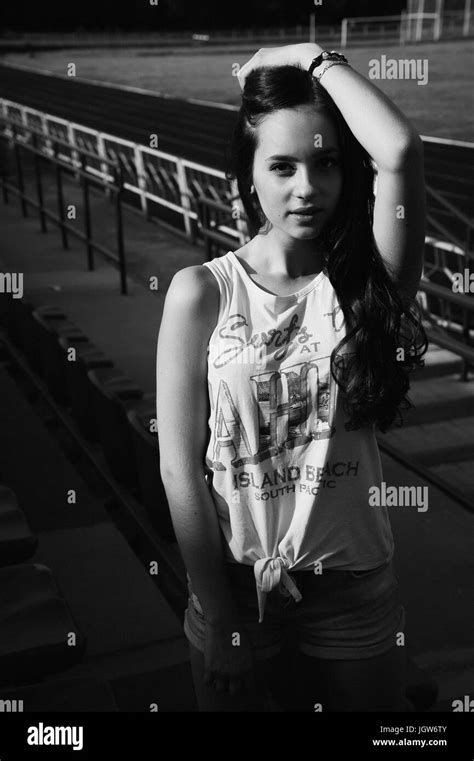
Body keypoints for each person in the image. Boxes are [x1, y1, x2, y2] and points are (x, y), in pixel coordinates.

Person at [156, 41, 428, 712]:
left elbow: (398, 151)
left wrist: (307, 56)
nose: (306, 187)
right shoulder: (201, 293)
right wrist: (221, 618)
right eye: (282, 166)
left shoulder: (367, 282)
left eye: (325, 163)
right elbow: (179, 469)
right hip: (232, 588)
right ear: (249, 176)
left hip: (354, 589)